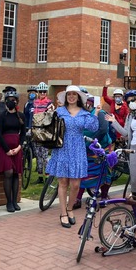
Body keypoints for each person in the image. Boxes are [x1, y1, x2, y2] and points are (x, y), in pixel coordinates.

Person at [46, 85, 99, 228]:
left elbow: (93, 128)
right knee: (63, 182)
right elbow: (49, 125)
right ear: (66, 97)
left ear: (78, 97)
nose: (71, 97)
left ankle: (70, 208)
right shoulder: (60, 111)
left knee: (75, 184)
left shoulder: (84, 113)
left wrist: (95, 113)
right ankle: (63, 213)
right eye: (69, 94)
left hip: (78, 149)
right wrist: (50, 113)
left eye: (74, 94)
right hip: (62, 148)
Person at [107, 90, 136, 205]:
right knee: (135, 178)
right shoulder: (130, 116)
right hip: (134, 147)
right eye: (128, 101)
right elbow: (126, 133)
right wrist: (114, 122)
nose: (131, 103)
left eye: (133, 100)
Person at [74, 91, 113, 208]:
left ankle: (104, 196)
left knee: (104, 172)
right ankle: (78, 198)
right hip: (86, 147)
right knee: (84, 172)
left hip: (101, 147)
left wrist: (93, 141)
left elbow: (103, 129)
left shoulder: (100, 113)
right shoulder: (81, 115)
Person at [0, 90, 26, 212]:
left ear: (17, 102)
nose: (11, 102)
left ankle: (15, 201)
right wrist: (7, 150)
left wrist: (19, 147)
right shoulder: (1, 116)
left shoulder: (21, 116)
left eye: (13, 100)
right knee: (8, 172)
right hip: (4, 147)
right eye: (9, 100)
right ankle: (9, 202)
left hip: (16, 147)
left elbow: (23, 133)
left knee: (16, 174)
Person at [31, 82, 53, 183]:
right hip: (35, 130)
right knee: (38, 155)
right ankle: (40, 177)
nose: (43, 93)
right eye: (41, 92)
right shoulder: (34, 103)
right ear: (38, 92)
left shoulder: (49, 103)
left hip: (44, 131)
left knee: (44, 155)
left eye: (44, 91)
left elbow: (50, 116)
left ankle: (48, 177)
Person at [102, 78, 129, 142]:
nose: (117, 98)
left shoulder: (125, 105)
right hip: (112, 126)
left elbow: (127, 117)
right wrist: (105, 87)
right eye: (116, 96)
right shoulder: (112, 102)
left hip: (120, 127)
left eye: (119, 96)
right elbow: (105, 97)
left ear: (122, 97)